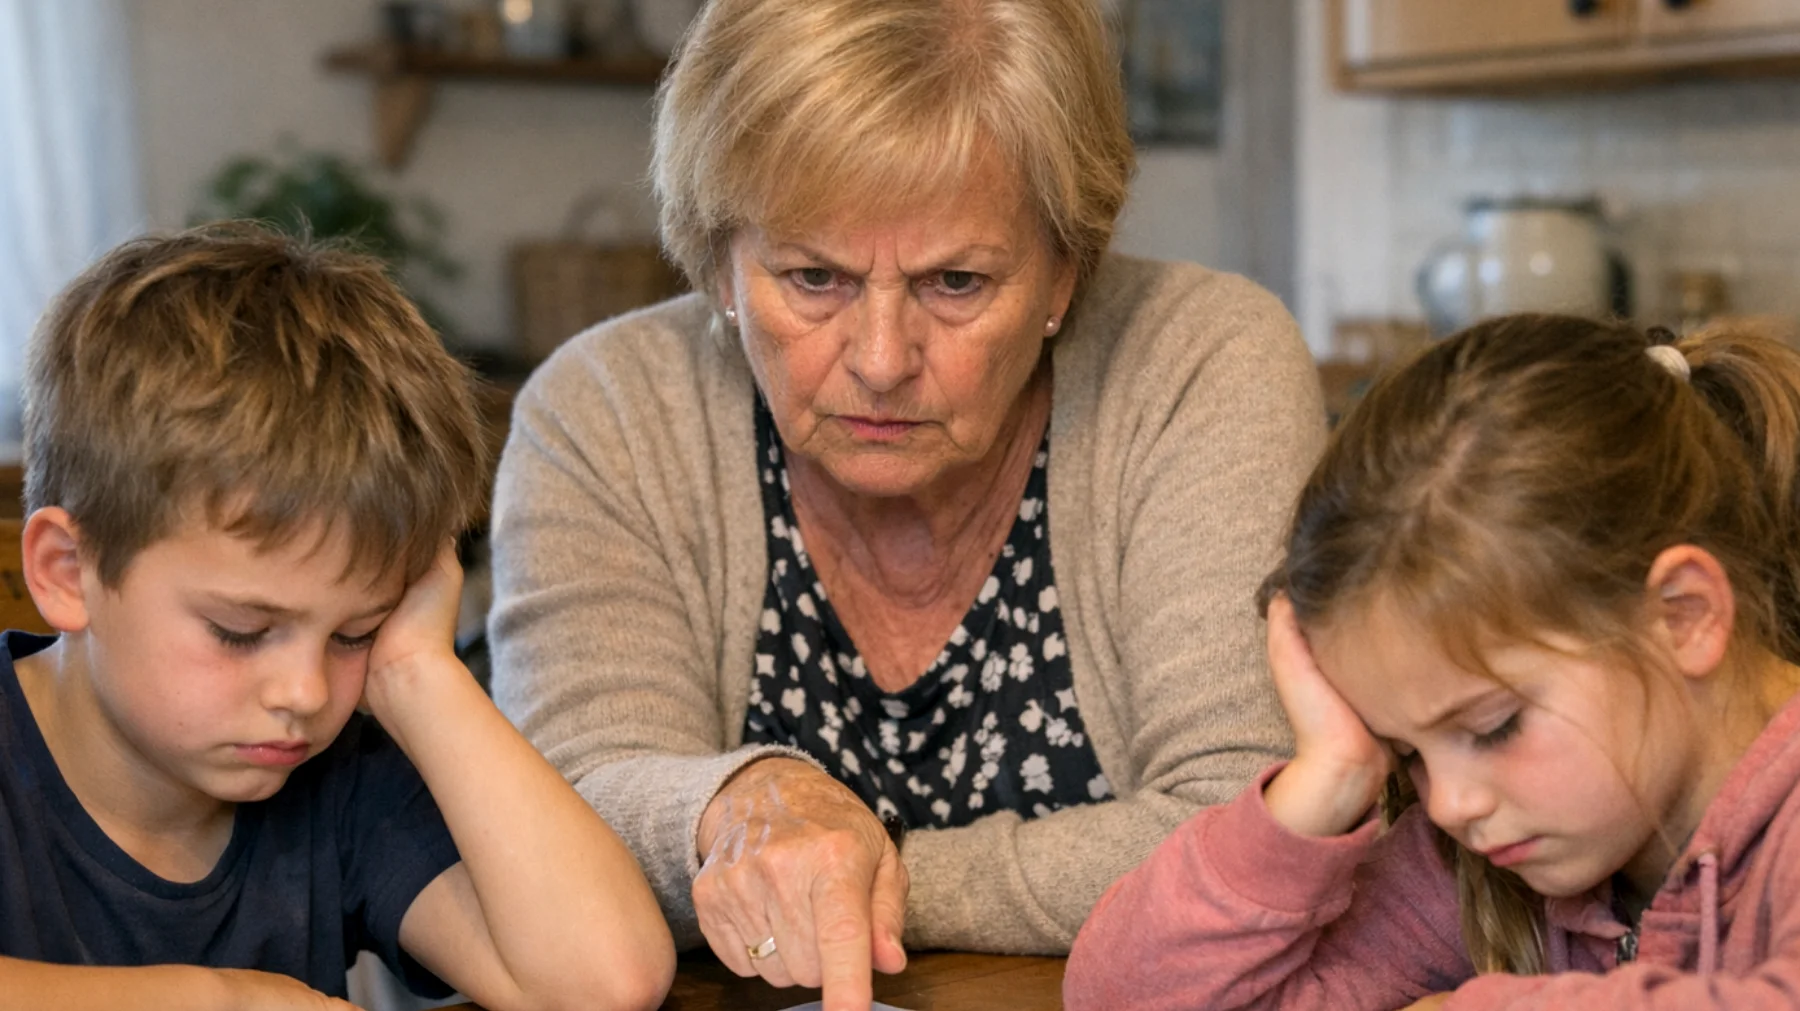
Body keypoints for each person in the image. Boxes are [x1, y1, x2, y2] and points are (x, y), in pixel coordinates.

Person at [486, 0, 1324, 1007]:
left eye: (957, 283)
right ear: (720, 264)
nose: (881, 362)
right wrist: (742, 804)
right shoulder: (607, 410)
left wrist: (846, 874)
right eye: (813, 277)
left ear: (1067, 269)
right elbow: (562, 828)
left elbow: (1253, 824)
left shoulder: (1199, 363)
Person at [0, 225, 675, 1011]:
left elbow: (605, 981)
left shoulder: (340, 777)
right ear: (67, 572)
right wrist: (220, 1000)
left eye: (354, 632)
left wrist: (419, 671)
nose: (305, 690)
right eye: (241, 631)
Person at [1063, 315, 1800, 1009]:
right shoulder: (1479, 860)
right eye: (1408, 751)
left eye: (1494, 725)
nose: (1448, 804)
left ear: (1682, 615)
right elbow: (1122, 997)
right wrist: (1330, 775)